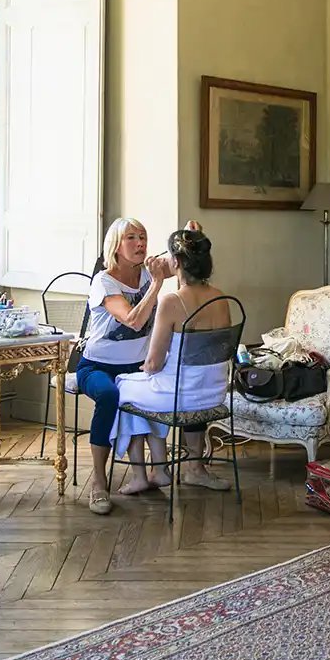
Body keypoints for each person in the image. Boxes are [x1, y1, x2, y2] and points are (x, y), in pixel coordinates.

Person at [110, 228, 232, 494]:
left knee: (124, 388)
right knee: (172, 383)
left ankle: (144, 474)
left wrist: (145, 368)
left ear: (175, 262)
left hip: (179, 397)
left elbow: (153, 364)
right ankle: (195, 470)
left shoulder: (171, 301)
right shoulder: (222, 298)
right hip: (214, 394)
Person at [76, 217, 166, 514]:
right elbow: (133, 319)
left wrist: (191, 236)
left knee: (169, 381)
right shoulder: (103, 281)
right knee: (109, 395)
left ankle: (164, 471)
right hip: (96, 367)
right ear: (115, 246)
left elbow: (184, 261)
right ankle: (99, 483)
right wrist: (156, 285)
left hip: (135, 367)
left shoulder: (146, 273)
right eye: (131, 237)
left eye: (143, 236)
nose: (140, 243)